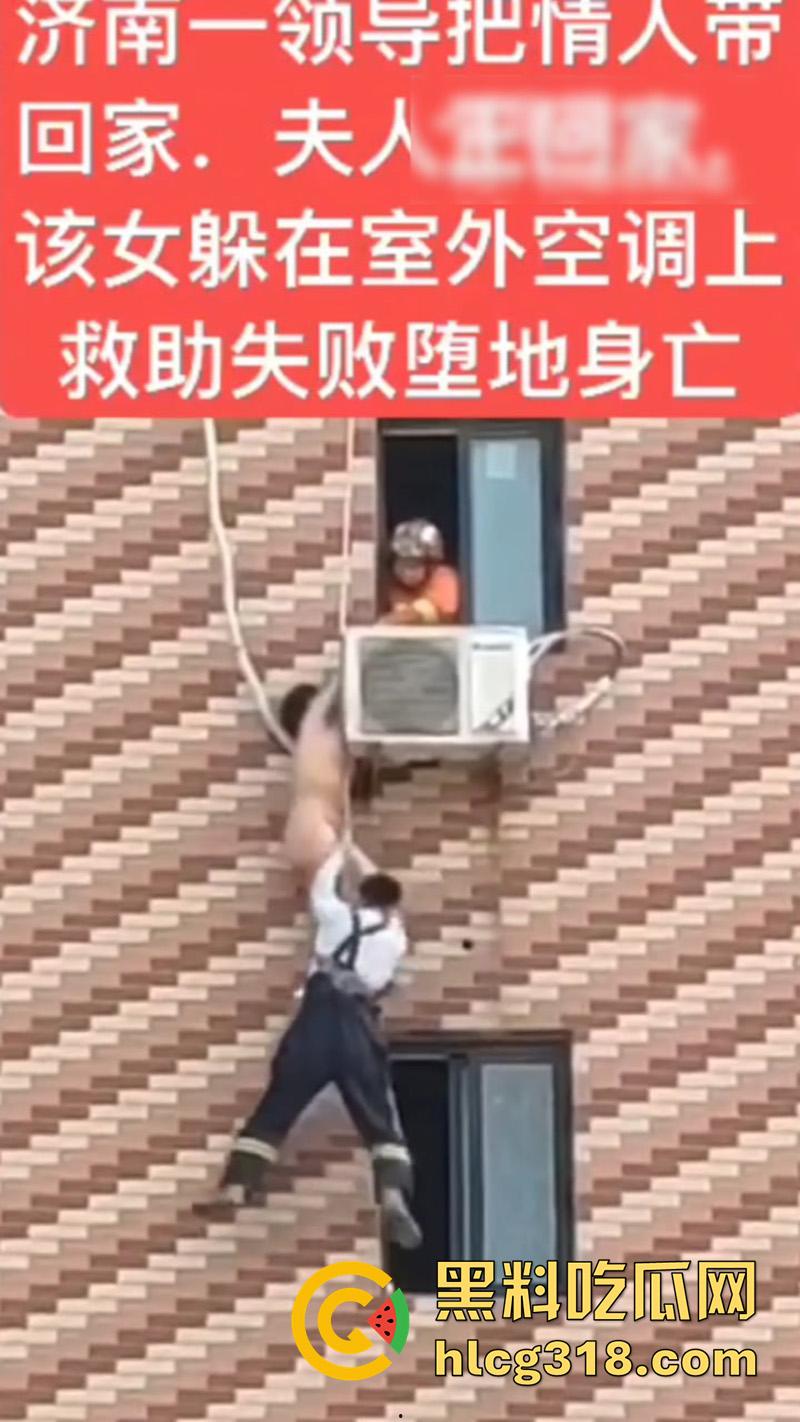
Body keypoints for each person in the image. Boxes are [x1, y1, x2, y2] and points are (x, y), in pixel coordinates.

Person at [196, 685, 422, 1250]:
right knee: (380, 1119)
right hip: (360, 1023)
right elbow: (389, 910)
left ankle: (238, 1186)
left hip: (319, 1015)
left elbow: (325, 878)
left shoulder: (335, 914)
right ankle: (393, 1195)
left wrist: (345, 848)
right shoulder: (394, 938)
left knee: (280, 1099)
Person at [383, 519, 461, 625]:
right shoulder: (392, 585)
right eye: (402, 563)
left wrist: (391, 620)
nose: (407, 571)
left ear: (431, 565)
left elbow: (442, 613)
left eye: (414, 563)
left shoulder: (444, 578)